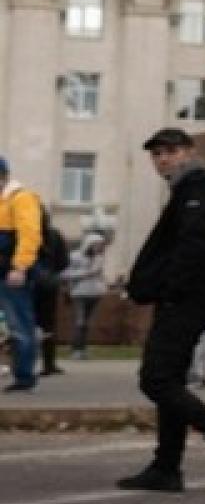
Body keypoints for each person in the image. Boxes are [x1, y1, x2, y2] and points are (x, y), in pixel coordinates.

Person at [117, 128, 205, 492]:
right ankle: (166, 467)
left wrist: (172, 289)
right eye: (157, 154)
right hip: (189, 297)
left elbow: (193, 247)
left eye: (171, 151)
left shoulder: (200, 191)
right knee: (171, 378)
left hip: (188, 298)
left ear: (190, 152)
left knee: (156, 378)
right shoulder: (187, 191)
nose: (163, 159)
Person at [0, 156, 45, 392]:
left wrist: (20, 267)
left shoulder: (20, 198)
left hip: (11, 273)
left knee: (19, 325)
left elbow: (30, 234)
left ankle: (24, 376)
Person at [31, 204, 68, 376]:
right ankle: (49, 363)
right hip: (49, 284)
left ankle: (23, 363)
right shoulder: (55, 234)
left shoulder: (25, 233)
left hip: (27, 283)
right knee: (48, 324)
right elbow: (64, 261)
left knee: (24, 323)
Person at [61, 232, 108, 360]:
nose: (99, 248)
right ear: (89, 244)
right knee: (80, 322)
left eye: (101, 245)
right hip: (79, 293)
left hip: (95, 293)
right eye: (97, 245)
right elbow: (65, 273)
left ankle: (82, 348)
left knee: (87, 323)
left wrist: (101, 283)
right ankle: (76, 349)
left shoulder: (99, 258)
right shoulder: (75, 256)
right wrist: (85, 273)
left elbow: (98, 274)